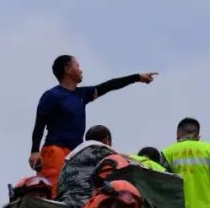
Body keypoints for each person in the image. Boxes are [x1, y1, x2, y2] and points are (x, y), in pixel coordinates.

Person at [29, 56, 156, 195]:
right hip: (55, 152)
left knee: (74, 193)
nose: (81, 70)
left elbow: (109, 85)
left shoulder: (81, 95)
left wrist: (137, 77)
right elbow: (40, 122)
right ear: (67, 69)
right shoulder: (52, 95)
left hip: (75, 156)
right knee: (54, 193)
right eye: (77, 66)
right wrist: (35, 150)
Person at [55, 125, 119, 208]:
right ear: (107, 139)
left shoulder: (71, 158)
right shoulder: (102, 152)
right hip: (83, 203)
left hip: (62, 202)